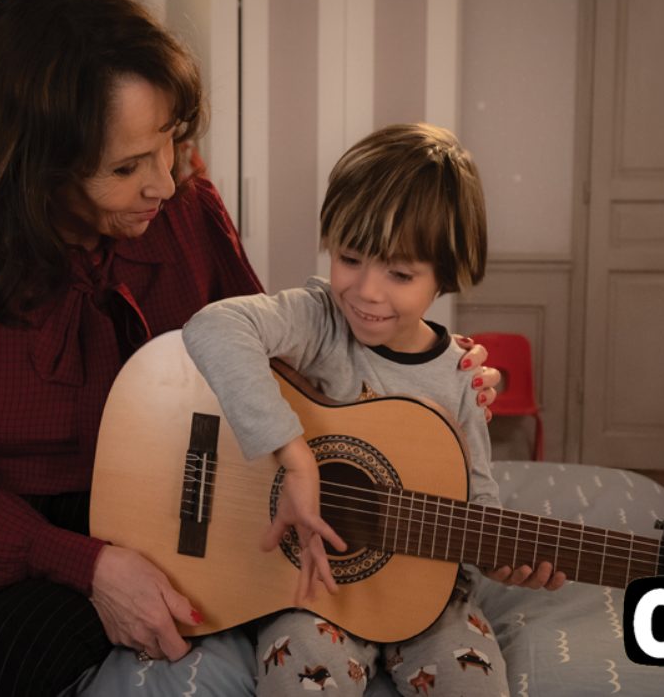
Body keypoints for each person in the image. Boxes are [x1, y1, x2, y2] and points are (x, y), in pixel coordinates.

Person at [0, 0, 496, 697]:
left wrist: (422, 366)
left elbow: (282, 368)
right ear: (34, 167)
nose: (164, 181)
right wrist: (82, 567)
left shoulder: (185, 210)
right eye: (128, 167)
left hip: (150, 519)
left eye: (171, 144)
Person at [182, 123, 566, 697]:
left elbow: (477, 501)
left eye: (400, 273)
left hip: (432, 594)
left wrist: (504, 560)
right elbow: (214, 325)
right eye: (350, 257)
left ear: (447, 274)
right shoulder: (317, 320)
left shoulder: (459, 380)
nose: (365, 290)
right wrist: (295, 456)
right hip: (316, 586)